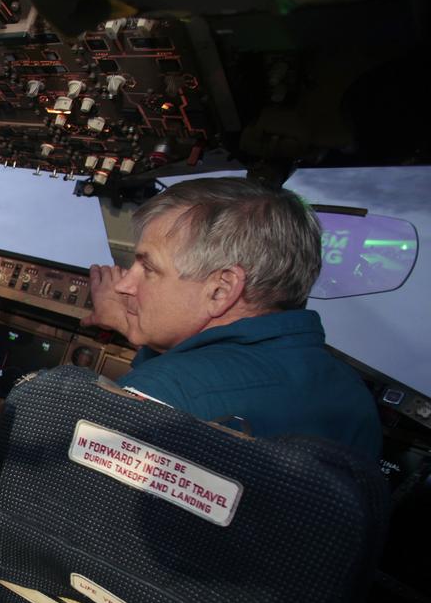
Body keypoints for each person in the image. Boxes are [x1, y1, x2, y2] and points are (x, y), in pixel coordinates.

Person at [81, 177, 381, 458]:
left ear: (220, 290)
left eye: (148, 269)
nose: (123, 285)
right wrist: (130, 323)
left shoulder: (159, 396)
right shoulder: (351, 394)